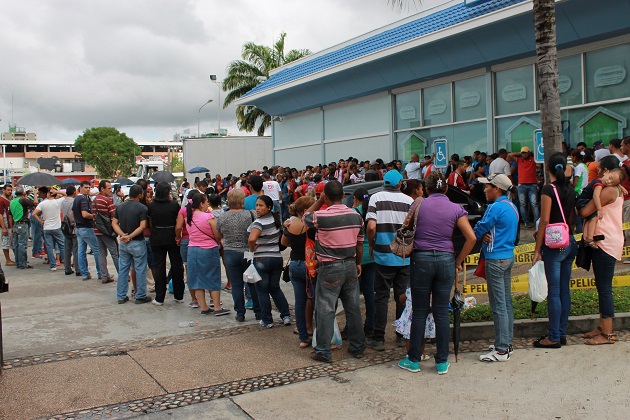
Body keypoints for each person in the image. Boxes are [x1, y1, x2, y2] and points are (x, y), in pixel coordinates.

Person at [398, 172, 476, 375]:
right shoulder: (456, 208)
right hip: (445, 259)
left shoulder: (418, 204)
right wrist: (458, 261)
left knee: (419, 311)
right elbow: (471, 237)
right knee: (442, 312)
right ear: (447, 189)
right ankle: (442, 361)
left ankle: (413, 360)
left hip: (421, 259)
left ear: (427, 188)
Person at [303, 181, 366, 362]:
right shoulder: (356, 216)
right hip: (350, 264)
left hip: (329, 267)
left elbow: (305, 216)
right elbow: (359, 243)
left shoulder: (321, 216)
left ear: (326, 196)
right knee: (353, 307)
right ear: (344, 195)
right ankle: (357, 347)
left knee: (325, 308)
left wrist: (318, 200)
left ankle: (323, 350)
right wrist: (358, 263)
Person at [532, 152, 579, 349]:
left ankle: (553, 337)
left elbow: (544, 220)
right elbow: (570, 220)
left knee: (554, 292)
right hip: (569, 243)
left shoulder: (548, 190)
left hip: (554, 247)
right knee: (564, 291)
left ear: (548, 168)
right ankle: (561, 332)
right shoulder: (570, 190)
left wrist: (537, 249)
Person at [365, 170, 414, 351]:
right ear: (400, 183)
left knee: (381, 296)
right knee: (402, 296)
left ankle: (379, 338)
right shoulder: (409, 201)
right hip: (404, 257)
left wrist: (371, 244)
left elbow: (371, 226)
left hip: (383, 256)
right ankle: (401, 336)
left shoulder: (375, 198)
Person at [474, 174, 519, 362]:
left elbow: (479, 228)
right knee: (506, 303)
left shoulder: (495, 207)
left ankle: (501, 350)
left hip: (495, 259)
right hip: (508, 256)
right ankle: (506, 343)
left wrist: (481, 234)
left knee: (498, 305)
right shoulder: (512, 207)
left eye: (487, 187)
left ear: (497, 189)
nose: (485, 190)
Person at [578, 160, 625, 345]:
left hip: (605, 243)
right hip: (606, 240)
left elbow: (585, 211)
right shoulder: (618, 188)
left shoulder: (608, 190)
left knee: (605, 289)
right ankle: (601, 327)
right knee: (602, 287)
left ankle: (607, 334)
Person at [216, 188, 262, 322]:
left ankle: (240, 313)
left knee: (236, 284)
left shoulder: (222, 216)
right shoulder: (250, 215)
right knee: (252, 281)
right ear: (242, 201)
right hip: (247, 251)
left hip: (230, 252)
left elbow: (219, 235)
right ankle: (258, 310)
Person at [247, 195, 291, 328]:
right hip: (276, 258)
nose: (258, 208)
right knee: (275, 288)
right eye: (257, 205)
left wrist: (252, 249)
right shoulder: (275, 219)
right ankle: (286, 315)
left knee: (262, 290)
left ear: (269, 207)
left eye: (261, 206)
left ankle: (267, 320)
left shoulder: (258, 223)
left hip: (261, 259)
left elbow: (251, 239)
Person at [186, 192, 229, 316]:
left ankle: (203, 307)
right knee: (213, 276)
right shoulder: (208, 217)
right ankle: (217, 307)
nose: (208, 204)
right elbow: (217, 234)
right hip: (208, 249)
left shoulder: (188, 217)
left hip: (193, 249)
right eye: (206, 202)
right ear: (201, 204)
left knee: (197, 278)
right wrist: (218, 242)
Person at [281, 195, 316, 347]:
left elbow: (283, 242)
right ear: (305, 210)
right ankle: (317, 333)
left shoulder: (290, 224)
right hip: (309, 265)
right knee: (314, 299)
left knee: (299, 302)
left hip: (294, 264)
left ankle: (303, 337)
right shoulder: (311, 225)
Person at [148, 182, 185, 306]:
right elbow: (178, 221)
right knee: (176, 265)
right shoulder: (174, 205)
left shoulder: (151, 205)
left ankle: (159, 297)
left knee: (159, 267)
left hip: (157, 236)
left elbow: (150, 222)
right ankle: (179, 295)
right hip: (172, 237)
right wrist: (178, 236)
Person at [113, 185, 151, 304]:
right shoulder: (142, 208)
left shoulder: (120, 207)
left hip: (124, 243)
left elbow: (114, 223)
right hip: (137, 241)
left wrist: (122, 235)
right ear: (140, 195)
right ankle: (140, 295)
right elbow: (142, 226)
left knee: (124, 269)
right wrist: (130, 236)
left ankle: (121, 295)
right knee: (140, 268)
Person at [350, 187, 376, 339]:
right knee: (370, 294)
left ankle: (352, 327)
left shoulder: (354, 213)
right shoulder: (372, 211)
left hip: (357, 258)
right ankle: (370, 325)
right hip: (371, 256)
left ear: (355, 198)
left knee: (353, 295)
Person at [576, 167, 624, 247]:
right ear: (606, 172)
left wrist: (621, 187)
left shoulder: (601, 181)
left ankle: (588, 238)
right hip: (583, 202)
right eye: (610, 178)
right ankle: (589, 239)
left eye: (612, 183)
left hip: (583, 200)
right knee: (594, 218)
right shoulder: (598, 184)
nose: (608, 182)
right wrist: (599, 209)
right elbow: (595, 196)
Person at [33, 187, 67, 271]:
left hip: (47, 227)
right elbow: (66, 195)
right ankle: (66, 263)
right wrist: (57, 191)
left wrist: (41, 221)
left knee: (49, 246)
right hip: (57, 227)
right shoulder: (58, 202)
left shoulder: (43, 203)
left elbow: (34, 214)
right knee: (62, 245)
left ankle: (53, 265)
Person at [73, 181, 101, 281]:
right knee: (97, 250)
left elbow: (73, 214)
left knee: (81, 251)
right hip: (86, 227)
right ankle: (101, 273)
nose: (88, 189)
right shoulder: (83, 199)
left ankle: (85, 273)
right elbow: (85, 214)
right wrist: (95, 216)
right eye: (86, 187)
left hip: (79, 228)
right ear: (80, 188)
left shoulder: (76, 199)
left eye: (89, 187)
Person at [93, 180, 118, 283]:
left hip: (97, 230)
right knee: (115, 253)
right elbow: (114, 216)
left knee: (101, 253)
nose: (111, 190)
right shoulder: (106, 200)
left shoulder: (94, 200)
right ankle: (123, 274)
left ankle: (104, 276)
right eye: (109, 188)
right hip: (107, 231)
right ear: (102, 189)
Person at [508, 146, 539, 229]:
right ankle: (526, 222)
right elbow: (510, 155)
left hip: (532, 184)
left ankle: (537, 222)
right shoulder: (519, 160)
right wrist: (520, 153)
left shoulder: (533, 159)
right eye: (523, 153)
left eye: (525, 152)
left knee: (534, 203)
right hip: (522, 185)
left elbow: (539, 164)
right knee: (523, 204)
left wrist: (530, 153)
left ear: (529, 153)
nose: (524, 154)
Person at [10, 187, 38, 269]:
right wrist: (35, 193)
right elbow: (35, 202)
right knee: (22, 245)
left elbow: (10, 215)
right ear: (23, 193)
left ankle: (18, 263)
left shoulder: (12, 202)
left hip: (15, 224)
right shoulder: (22, 200)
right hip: (22, 224)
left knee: (16, 245)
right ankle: (23, 264)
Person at [61, 186, 79, 276]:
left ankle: (67, 268)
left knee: (67, 249)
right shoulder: (74, 201)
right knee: (76, 249)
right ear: (74, 192)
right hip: (73, 226)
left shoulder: (62, 201)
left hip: (65, 226)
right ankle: (78, 269)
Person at [0, 185, 15, 266]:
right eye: (8, 190)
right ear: (3, 190)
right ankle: (7, 260)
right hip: (6, 225)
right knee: (6, 243)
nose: (10, 191)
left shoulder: (9, 200)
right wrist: (3, 227)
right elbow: (0, 214)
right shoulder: (1, 200)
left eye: (11, 190)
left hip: (10, 225)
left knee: (11, 242)